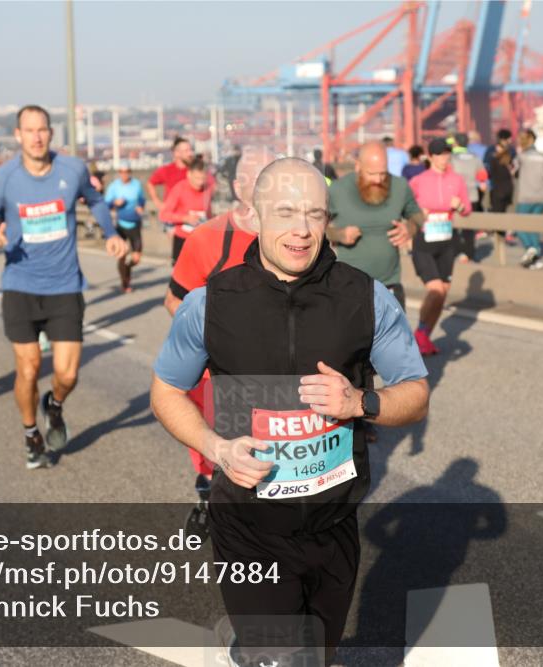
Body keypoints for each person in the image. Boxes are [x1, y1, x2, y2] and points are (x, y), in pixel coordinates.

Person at [150, 157, 429, 667]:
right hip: (248, 521)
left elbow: (415, 392)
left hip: (333, 522)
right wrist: (216, 448)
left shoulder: (365, 298)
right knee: (283, 661)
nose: (301, 230)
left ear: (328, 219)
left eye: (314, 215)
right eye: (285, 213)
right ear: (255, 217)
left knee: (318, 658)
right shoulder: (210, 304)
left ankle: (249, 648)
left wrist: (360, 402)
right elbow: (166, 390)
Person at [0, 105, 125, 469]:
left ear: (51, 133)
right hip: (20, 287)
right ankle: (30, 434)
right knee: (28, 369)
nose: (37, 137)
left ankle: (53, 405)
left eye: (43, 130)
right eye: (29, 130)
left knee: (68, 374)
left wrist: (111, 232)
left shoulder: (72, 169)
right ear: (18, 135)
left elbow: (97, 200)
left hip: (65, 285)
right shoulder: (4, 179)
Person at [163, 146, 276, 538]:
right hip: (218, 373)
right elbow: (174, 299)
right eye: (260, 179)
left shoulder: (299, 236)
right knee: (220, 453)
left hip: (277, 373)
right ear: (239, 186)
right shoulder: (208, 237)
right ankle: (207, 495)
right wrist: (212, 339)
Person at [328, 140, 423, 312]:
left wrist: (409, 228)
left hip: (389, 285)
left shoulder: (400, 186)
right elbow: (316, 227)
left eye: (383, 173)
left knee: (394, 338)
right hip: (348, 285)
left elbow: (417, 215)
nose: (378, 180)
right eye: (371, 174)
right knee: (354, 339)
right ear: (358, 166)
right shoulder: (337, 190)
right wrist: (339, 234)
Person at [409, 138, 472, 356]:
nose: (444, 158)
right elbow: (406, 210)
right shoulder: (418, 181)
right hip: (424, 242)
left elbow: (467, 210)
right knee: (435, 289)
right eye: (440, 154)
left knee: (443, 293)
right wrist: (419, 213)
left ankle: (423, 334)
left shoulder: (457, 180)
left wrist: (460, 205)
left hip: (446, 242)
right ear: (431, 157)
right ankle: (418, 335)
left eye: (447, 154)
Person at [159, 158, 214, 264]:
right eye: (197, 178)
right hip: (183, 239)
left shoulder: (207, 188)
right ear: (189, 174)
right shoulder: (179, 188)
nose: (200, 183)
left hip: (202, 240)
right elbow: (163, 215)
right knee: (181, 278)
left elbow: (210, 213)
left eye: (202, 179)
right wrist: (185, 218)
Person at [103, 162, 146, 292]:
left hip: (135, 224)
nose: (124, 174)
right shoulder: (114, 186)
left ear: (130, 172)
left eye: (127, 171)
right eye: (121, 172)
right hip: (120, 224)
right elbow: (106, 204)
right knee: (122, 254)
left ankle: (128, 267)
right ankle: (125, 283)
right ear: (119, 173)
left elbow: (142, 199)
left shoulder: (136, 184)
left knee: (136, 258)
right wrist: (114, 203)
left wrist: (140, 206)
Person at [148, 136, 195, 254]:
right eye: (186, 151)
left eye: (190, 150)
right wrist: (158, 202)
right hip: (172, 217)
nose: (190, 153)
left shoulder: (194, 170)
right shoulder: (167, 170)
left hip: (192, 216)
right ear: (176, 153)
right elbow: (150, 183)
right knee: (179, 253)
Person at [515, 129, 543, 270]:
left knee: (519, 225)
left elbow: (514, 172)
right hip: (542, 197)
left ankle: (530, 248)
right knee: (534, 227)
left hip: (526, 196)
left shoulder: (521, 157)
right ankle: (536, 257)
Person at [451, 132, 488, 263]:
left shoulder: (452, 158)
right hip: (472, 195)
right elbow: (482, 176)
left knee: (453, 225)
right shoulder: (475, 157)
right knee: (469, 227)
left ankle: (457, 251)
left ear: (456, 143)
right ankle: (469, 253)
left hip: (455, 196)